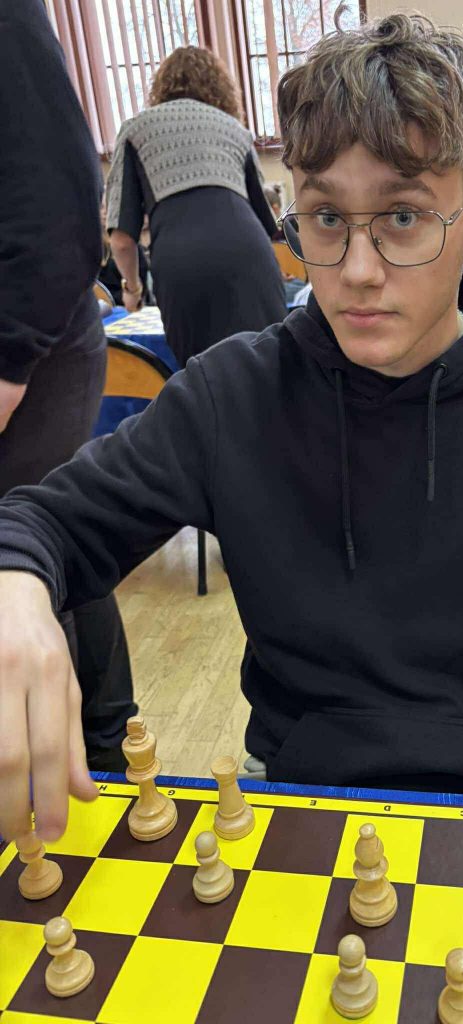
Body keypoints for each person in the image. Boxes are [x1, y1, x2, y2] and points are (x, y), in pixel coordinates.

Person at [0, 12, 463, 845]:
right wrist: (15, 582)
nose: (357, 271)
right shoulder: (232, 395)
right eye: (325, 218)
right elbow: (47, 521)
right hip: (292, 795)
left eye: (403, 218)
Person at [0, 0, 136, 777]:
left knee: (39, 543)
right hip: (37, 331)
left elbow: (60, 208)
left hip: (32, 340)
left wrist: (8, 363)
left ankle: (95, 751)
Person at [106, 46, 287, 366]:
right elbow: (266, 223)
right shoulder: (235, 130)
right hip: (249, 256)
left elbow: (121, 239)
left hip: (182, 267)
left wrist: (132, 289)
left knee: (203, 380)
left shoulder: (135, 130)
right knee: (269, 366)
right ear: (221, 88)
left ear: (161, 86)